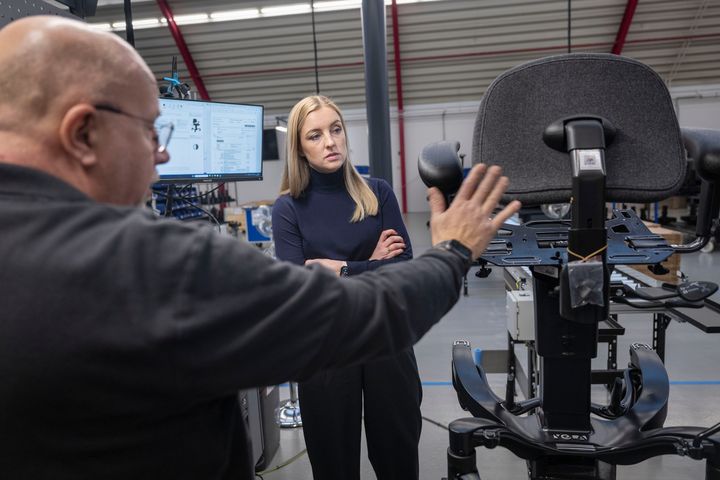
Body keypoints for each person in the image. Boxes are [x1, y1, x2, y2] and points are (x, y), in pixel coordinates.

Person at [0, 15, 521, 480]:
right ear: (83, 133)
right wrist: (452, 250)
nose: (160, 152)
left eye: (335, 130)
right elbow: (356, 312)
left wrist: (341, 267)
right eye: (150, 128)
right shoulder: (164, 264)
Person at [272, 95, 422, 480]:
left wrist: (340, 269)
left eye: (335, 130)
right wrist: (373, 263)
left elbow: (403, 271)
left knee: (398, 456)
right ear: (299, 148)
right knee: (334, 463)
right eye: (316, 135)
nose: (330, 142)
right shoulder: (288, 208)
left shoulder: (377, 193)